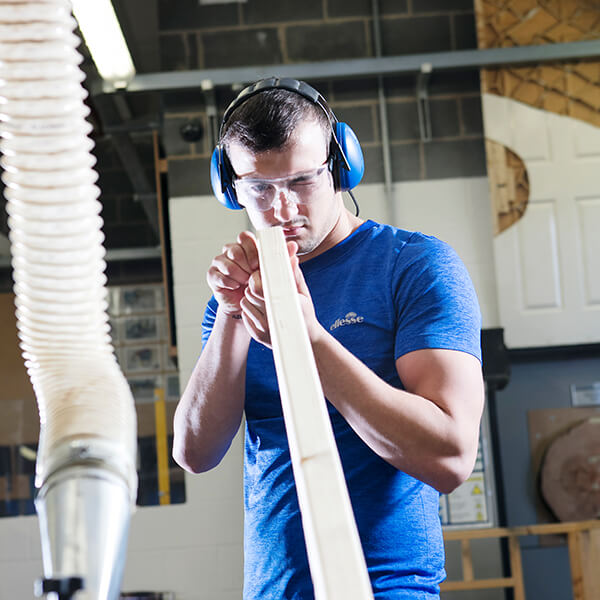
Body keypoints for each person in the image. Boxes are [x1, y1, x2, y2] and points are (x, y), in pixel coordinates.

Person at [173, 78, 485, 599]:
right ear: (230, 188)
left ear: (341, 166)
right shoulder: (237, 297)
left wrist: (306, 338)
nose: (283, 209)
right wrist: (231, 313)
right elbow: (195, 452)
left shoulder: (413, 266)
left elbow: (450, 457)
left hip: (387, 588)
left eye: (302, 181)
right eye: (259, 188)